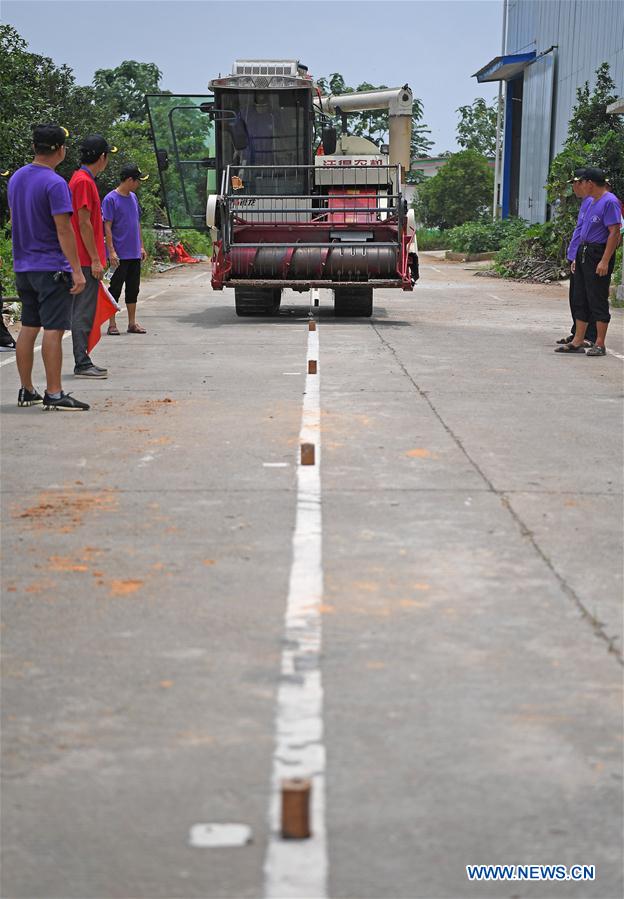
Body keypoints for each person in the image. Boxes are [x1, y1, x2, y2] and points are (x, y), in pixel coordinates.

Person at [8, 124, 89, 410]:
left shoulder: (16, 178)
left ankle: (26, 389)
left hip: (24, 267)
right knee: (53, 329)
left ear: (34, 147)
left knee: (29, 327)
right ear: (60, 149)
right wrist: (77, 270)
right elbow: (63, 229)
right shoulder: (55, 183)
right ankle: (54, 392)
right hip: (51, 267)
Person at [555, 167, 621, 357]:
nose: (579, 185)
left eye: (581, 181)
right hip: (584, 251)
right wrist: (576, 256)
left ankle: (599, 343)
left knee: (596, 297)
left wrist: (605, 260)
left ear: (589, 183)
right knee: (580, 297)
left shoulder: (610, 202)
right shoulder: (591, 201)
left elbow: (614, 233)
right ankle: (578, 339)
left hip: (597, 253)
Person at [69, 134, 117, 378]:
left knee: (85, 309)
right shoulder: (84, 182)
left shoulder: (80, 179)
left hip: (84, 257)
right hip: (86, 260)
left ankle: (83, 358)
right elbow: (84, 223)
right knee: (83, 311)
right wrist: (96, 259)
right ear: (102, 157)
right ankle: (81, 361)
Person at [102, 164, 148, 335]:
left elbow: (137, 223)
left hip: (134, 252)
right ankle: (112, 324)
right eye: (137, 181)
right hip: (119, 255)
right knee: (115, 288)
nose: (138, 185)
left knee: (133, 289)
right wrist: (111, 251)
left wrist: (141, 246)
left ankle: (131, 323)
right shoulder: (110, 199)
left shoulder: (133, 198)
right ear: (130, 180)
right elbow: (107, 227)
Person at [555, 169, 597, 346]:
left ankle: (589, 336)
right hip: (577, 255)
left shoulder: (596, 201)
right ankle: (577, 332)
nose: (574, 187)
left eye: (576, 183)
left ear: (586, 183)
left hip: (587, 254)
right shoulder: (585, 202)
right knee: (576, 297)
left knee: (588, 297)